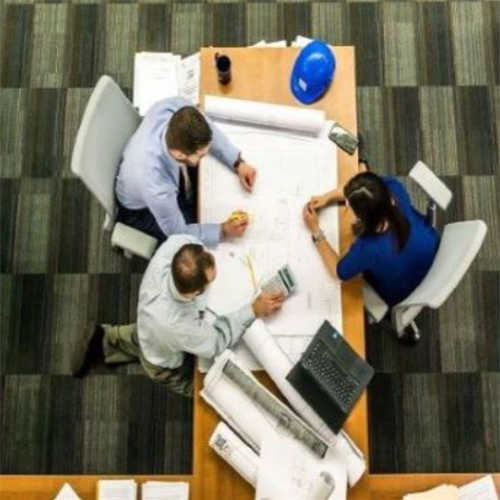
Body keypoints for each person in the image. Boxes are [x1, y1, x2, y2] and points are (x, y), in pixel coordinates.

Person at [71, 235, 284, 396]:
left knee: (143, 336)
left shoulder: (178, 245)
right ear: (192, 293)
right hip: (161, 360)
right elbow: (216, 342)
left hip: (148, 322)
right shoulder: (179, 326)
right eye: (211, 281)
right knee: (200, 385)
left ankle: (104, 338)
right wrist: (253, 310)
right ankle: (202, 394)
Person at [303, 170, 440, 345]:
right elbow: (368, 188)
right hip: (431, 253)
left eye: (348, 207)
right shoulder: (395, 190)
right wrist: (327, 197)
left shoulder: (368, 248)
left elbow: (338, 271)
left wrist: (316, 230)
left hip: (403, 291)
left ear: (362, 218)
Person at [115, 97, 257, 247]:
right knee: (189, 234)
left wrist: (237, 162)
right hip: (141, 211)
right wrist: (223, 231)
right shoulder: (157, 186)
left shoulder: (175, 108)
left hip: (141, 170)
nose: (205, 155)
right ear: (179, 155)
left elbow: (207, 129)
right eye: (201, 155)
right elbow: (178, 233)